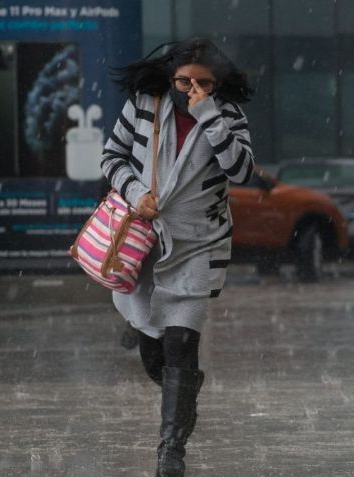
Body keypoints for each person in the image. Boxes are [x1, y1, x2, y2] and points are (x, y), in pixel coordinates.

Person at [101, 38, 254, 476]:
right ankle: (183, 396)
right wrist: (136, 193)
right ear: (170, 77)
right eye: (183, 81)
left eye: (202, 83)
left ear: (216, 84)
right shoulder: (144, 104)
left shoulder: (228, 116)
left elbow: (240, 170)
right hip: (146, 240)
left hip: (199, 244)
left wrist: (209, 116)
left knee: (182, 342)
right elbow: (112, 157)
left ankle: (171, 451)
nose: (191, 90)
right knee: (154, 352)